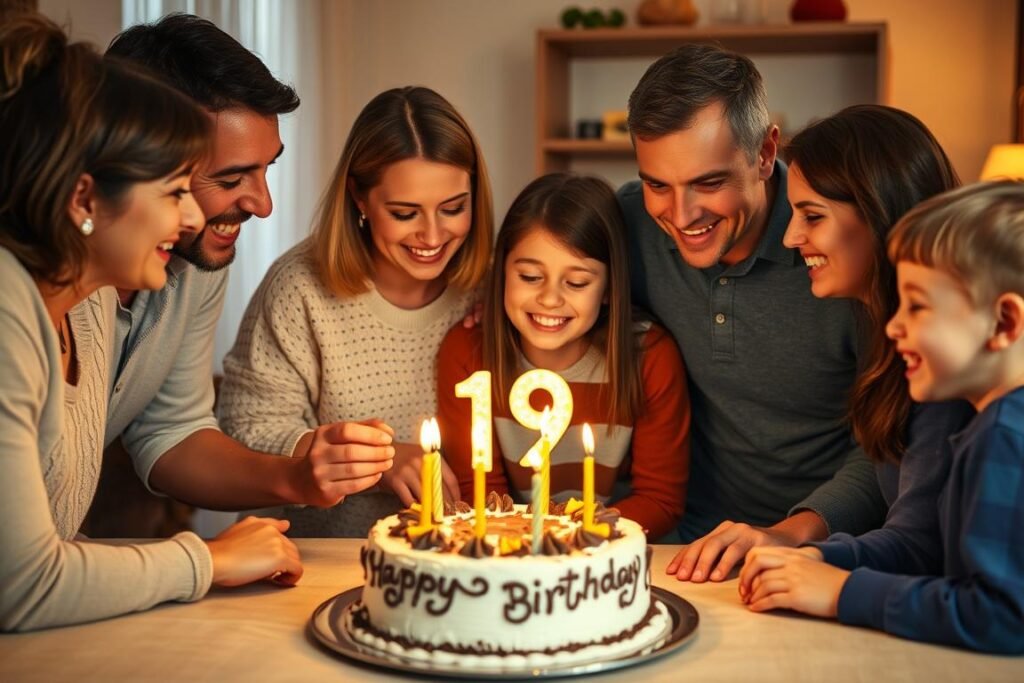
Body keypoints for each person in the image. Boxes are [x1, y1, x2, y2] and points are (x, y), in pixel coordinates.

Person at [0, 14, 300, 632]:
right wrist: (207, 560)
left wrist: (293, 476)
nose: (190, 216)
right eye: (175, 189)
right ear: (85, 198)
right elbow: (26, 584)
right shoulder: (19, 306)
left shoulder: (77, 300)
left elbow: (51, 549)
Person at [85, 13, 394, 539]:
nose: (263, 204)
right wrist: (205, 561)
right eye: (230, 178)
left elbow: (172, 430)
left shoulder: (200, 258)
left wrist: (296, 477)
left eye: (268, 167)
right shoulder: (36, 291)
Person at [618, 43, 886, 579]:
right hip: (680, 546)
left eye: (709, 183)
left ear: (765, 154)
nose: (680, 214)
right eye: (657, 185)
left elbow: (888, 438)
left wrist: (789, 533)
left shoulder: (835, 245)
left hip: (822, 548)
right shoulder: (627, 223)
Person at [740, 180, 1024, 654]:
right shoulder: (984, 425)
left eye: (917, 306)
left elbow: (1003, 616)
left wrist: (840, 593)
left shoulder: (1005, 436)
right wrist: (818, 558)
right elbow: (925, 550)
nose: (893, 325)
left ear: (1004, 323)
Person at [217, 86, 494, 537]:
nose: (432, 235)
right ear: (360, 199)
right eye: (405, 213)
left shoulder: (494, 287)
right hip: (315, 559)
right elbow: (245, 433)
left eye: (453, 209)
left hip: (459, 569)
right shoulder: (300, 288)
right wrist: (378, 460)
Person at [732, 103, 971, 612]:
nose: (792, 238)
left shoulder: (944, 367)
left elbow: (920, 544)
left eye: (812, 216)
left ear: (881, 213)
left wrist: (818, 567)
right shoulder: (885, 337)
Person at [438, 173, 689, 540]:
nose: (551, 299)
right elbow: (479, 492)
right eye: (529, 276)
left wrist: (565, 542)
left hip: (601, 560)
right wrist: (529, 544)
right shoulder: (467, 353)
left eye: (576, 283)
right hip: (507, 556)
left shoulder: (649, 358)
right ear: (502, 270)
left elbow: (660, 500)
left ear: (607, 288)